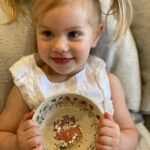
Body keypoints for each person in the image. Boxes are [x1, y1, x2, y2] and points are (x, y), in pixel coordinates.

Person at [0, 0, 138, 150]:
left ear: (95, 35)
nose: (59, 47)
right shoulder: (29, 83)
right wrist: (16, 143)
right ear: (36, 30)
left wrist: (118, 142)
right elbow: (3, 132)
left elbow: (131, 133)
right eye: (48, 33)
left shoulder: (105, 82)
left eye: (74, 34)